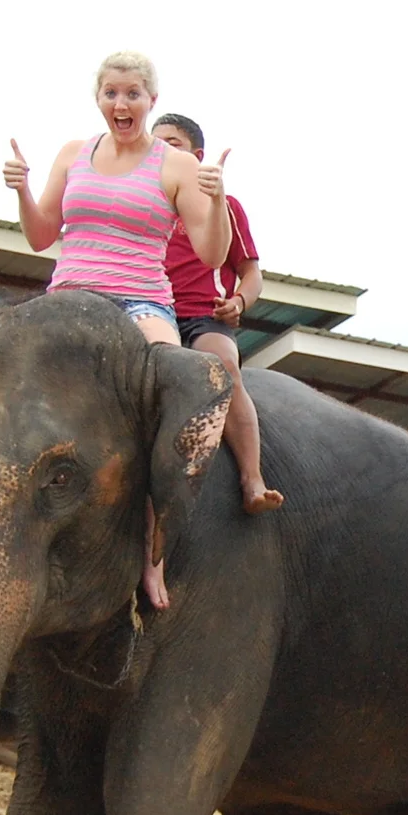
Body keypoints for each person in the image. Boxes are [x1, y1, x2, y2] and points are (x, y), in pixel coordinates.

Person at [2, 53, 239, 612]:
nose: (120, 104)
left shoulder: (175, 166)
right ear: (99, 99)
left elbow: (211, 252)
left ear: (150, 100)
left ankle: (153, 552)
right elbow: (41, 236)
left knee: (177, 384)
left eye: (132, 94)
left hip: (140, 301)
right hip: (69, 297)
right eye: (111, 93)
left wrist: (218, 197)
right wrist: (22, 188)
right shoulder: (73, 154)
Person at [152, 111, 282, 515]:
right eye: (156, 145)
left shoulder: (226, 206)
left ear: (197, 154)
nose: (162, 152)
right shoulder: (149, 206)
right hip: (153, 311)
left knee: (224, 363)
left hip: (204, 316)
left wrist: (239, 302)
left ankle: (251, 477)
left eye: (172, 144)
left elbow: (251, 273)